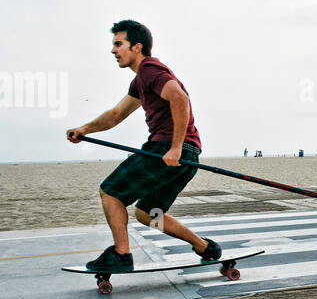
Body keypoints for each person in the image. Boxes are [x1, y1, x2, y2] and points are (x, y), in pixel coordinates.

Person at [66, 20, 220, 271]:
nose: (113, 50)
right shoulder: (140, 81)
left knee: (111, 192)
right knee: (148, 213)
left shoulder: (150, 69)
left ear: (137, 47)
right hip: (187, 154)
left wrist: (175, 148)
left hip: (167, 149)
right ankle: (203, 246)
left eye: (118, 44)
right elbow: (117, 114)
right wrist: (85, 129)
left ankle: (121, 254)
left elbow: (180, 99)